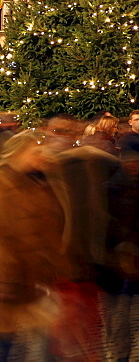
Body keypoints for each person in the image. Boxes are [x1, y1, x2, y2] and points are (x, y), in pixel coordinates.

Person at [0, 130, 70, 361]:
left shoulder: (36, 183)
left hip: (34, 281)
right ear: (19, 152)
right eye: (36, 151)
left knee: (47, 345)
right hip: (8, 283)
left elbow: (48, 230)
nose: (43, 156)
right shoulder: (4, 185)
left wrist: (58, 268)